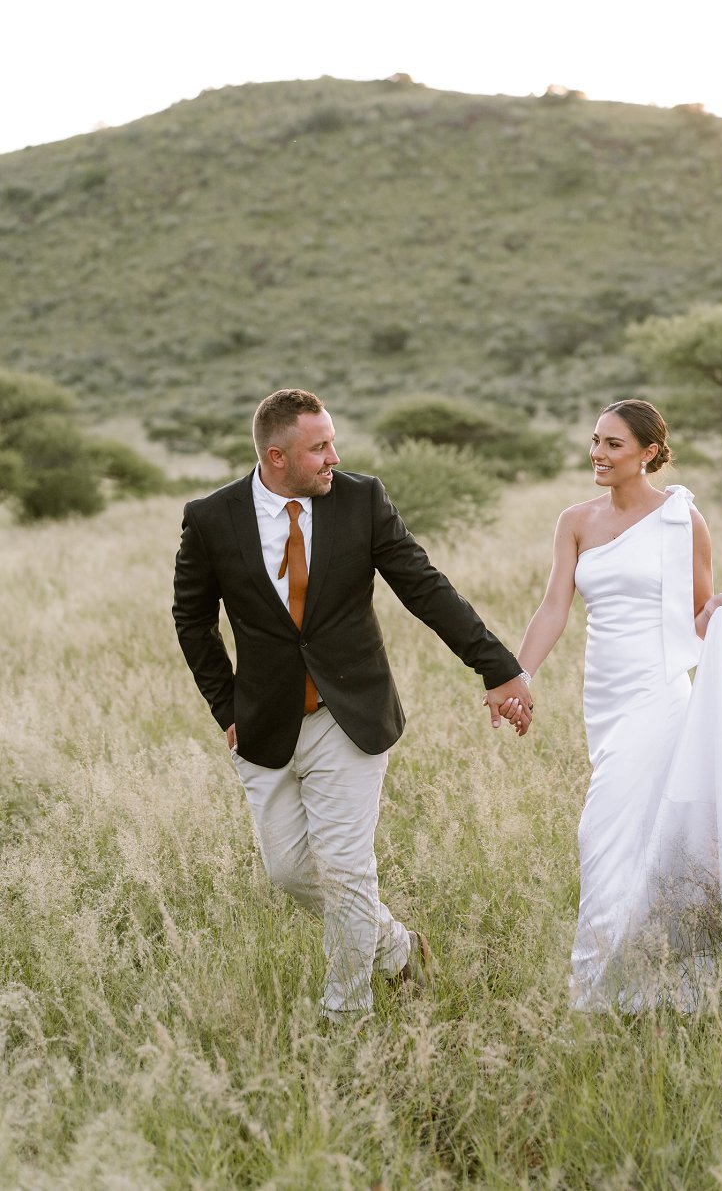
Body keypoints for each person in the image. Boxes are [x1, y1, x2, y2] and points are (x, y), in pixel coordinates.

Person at [172, 388, 532, 1022]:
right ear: (276, 456)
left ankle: (346, 1014)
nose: (334, 457)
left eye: (333, 442)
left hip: (349, 717)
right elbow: (191, 620)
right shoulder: (211, 518)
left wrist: (498, 669)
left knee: (344, 871)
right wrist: (226, 708)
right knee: (289, 872)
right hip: (262, 725)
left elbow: (425, 588)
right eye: (320, 448)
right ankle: (397, 947)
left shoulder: (362, 500)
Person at [508, 399, 722, 1010]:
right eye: (595, 440)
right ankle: (664, 976)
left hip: (659, 695)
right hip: (605, 701)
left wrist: (718, 613)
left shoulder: (681, 520)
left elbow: (695, 617)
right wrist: (519, 676)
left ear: (648, 453)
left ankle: (596, 991)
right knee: (651, 839)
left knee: (603, 834)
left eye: (613, 444)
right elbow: (554, 607)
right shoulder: (575, 521)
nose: (598, 454)